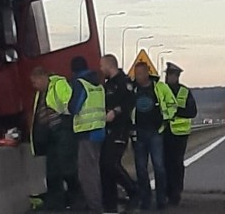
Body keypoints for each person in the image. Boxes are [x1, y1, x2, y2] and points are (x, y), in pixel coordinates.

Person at [30, 66, 80, 211]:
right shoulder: (40, 93)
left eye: (34, 82)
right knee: (52, 172)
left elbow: (69, 103)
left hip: (62, 132)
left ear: (41, 78)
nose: (34, 86)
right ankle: (55, 204)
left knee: (67, 169)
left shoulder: (58, 84)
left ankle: (75, 199)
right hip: (50, 137)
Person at [132, 61, 177, 211]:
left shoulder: (159, 87)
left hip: (155, 132)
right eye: (135, 74)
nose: (137, 77)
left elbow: (172, 104)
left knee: (159, 167)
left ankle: (161, 199)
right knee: (141, 169)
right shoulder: (132, 89)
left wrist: (165, 119)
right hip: (138, 133)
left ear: (147, 73)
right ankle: (145, 200)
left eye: (140, 74)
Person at [99, 54, 139, 213]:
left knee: (110, 163)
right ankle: (110, 204)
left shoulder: (125, 82)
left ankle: (133, 191)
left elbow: (130, 102)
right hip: (107, 130)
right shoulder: (108, 85)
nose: (100, 70)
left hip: (120, 129)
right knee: (104, 166)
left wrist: (116, 111)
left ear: (110, 65)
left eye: (102, 66)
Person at [68, 56, 106, 214]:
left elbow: (74, 108)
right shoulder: (98, 84)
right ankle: (96, 203)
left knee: (86, 175)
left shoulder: (80, 84)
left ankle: (94, 208)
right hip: (99, 132)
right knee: (94, 171)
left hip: (87, 133)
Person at [163, 62, 197, 207]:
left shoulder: (184, 92)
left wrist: (175, 112)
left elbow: (192, 112)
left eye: (171, 75)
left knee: (176, 164)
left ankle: (176, 193)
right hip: (164, 132)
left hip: (179, 134)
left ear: (176, 76)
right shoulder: (161, 90)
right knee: (164, 163)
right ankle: (166, 192)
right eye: (167, 75)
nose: (168, 77)